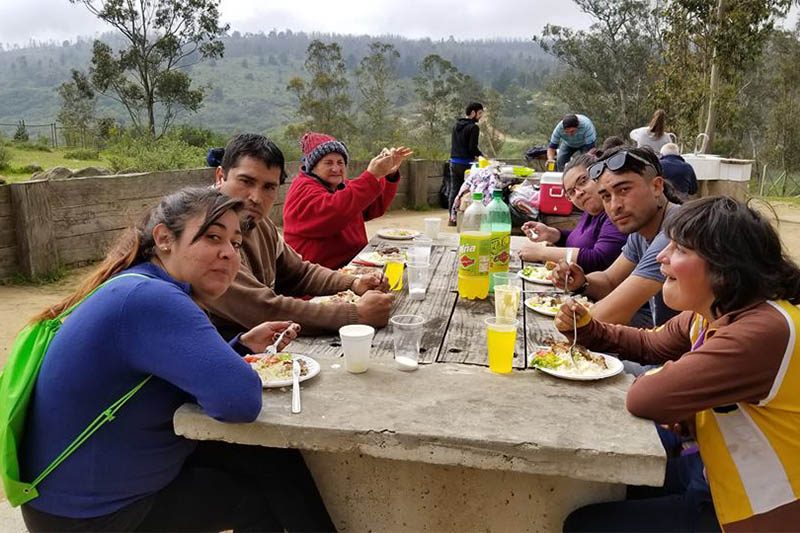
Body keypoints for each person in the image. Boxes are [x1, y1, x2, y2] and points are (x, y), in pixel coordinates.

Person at [19, 187, 335, 532]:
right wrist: (234, 366)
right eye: (214, 237)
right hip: (89, 516)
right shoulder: (153, 297)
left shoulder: (138, 283)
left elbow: (166, 377)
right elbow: (239, 401)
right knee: (256, 497)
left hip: (69, 496)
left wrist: (241, 346)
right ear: (165, 239)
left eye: (236, 243)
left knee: (268, 455)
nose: (229, 253)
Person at [557, 196, 800, 532]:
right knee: (607, 479)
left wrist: (681, 399)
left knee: (583, 524)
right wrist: (587, 328)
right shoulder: (715, 313)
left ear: (725, 268)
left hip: (758, 510)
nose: (661, 257)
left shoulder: (761, 330)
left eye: (680, 249)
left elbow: (646, 398)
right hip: (710, 470)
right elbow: (649, 343)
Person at [207, 133, 396, 337]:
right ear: (220, 177)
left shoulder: (258, 223)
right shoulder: (205, 234)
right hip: (230, 353)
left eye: (269, 187)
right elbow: (262, 309)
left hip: (269, 343)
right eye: (246, 181)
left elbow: (299, 272)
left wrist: (353, 283)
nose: (256, 197)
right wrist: (355, 315)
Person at [552, 146, 681, 328]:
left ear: (656, 186)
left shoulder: (677, 231)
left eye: (623, 190)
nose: (614, 206)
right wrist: (582, 282)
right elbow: (610, 281)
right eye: (606, 196)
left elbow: (612, 313)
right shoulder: (640, 233)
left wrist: (564, 318)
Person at [283, 131, 413, 269]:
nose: (336, 168)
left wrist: (389, 174)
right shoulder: (303, 189)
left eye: (340, 162)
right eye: (328, 163)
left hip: (354, 266)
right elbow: (335, 211)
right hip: (318, 278)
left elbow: (373, 206)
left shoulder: (340, 187)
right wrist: (372, 175)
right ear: (312, 167)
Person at [519, 154, 626, 273]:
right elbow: (581, 242)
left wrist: (542, 253)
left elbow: (599, 259)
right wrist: (552, 234)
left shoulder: (617, 214)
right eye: (571, 192)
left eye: (583, 181)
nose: (579, 193)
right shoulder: (590, 212)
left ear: (599, 174)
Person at [448, 102, 484, 226]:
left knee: (454, 190)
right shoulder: (473, 128)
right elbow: (472, 148)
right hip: (466, 164)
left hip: (453, 162)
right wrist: (482, 157)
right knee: (470, 192)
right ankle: (468, 220)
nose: (480, 117)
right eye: (479, 113)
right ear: (473, 113)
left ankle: (452, 219)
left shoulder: (456, 125)